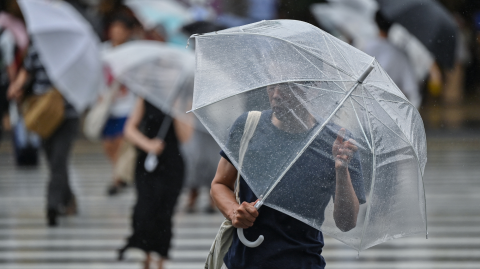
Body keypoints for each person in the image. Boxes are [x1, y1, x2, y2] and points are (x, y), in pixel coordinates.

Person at [210, 82, 365, 268]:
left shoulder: (338, 142)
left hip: (304, 262)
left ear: (312, 90)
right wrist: (234, 211)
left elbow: (347, 223)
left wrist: (341, 169)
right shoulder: (248, 126)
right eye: (271, 87)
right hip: (244, 262)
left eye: (286, 88)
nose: (275, 95)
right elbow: (220, 184)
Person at [7, 41, 79, 227]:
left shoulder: (71, 50)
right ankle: (68, 197)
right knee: (53, 159)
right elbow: (27, 70)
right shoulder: (36, 49)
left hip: (67, 113)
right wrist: (17, 86)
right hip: (43, 113)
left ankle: (52, 205)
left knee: (59, 160)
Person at [118, 98, 185, 269]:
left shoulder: (182, 100)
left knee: (164, 212)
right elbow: (129, 129)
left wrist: (177, 110)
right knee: (145, 207)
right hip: (147, 162)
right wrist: (148, 144)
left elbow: (186, 136)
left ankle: (161, 258)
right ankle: (146, 254)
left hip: (172, 164)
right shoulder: (145, 96)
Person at [100, 15, 137, 195]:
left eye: (121, 29)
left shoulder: (134, 51)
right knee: (109, 144)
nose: (116, 32)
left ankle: (117, 178)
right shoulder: (103, 51)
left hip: (128, 106)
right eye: (114, 28)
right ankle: (120, 173)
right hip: (108, 106)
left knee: (122, 143)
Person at [362, 11, 421, 108]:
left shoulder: (363, 49)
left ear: (375, 21)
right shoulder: (400, 54)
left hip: (366, 108)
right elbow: (412, 91)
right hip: (391, 111)